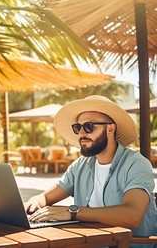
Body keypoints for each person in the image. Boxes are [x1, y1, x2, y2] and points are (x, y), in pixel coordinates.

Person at [25, 95, 157, 248]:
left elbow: (132, 215)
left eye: (88, 126)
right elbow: (45, 197)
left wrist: (72, 212)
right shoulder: (81, 165)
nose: (81, 133)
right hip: (89, 242)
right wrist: (35, 202)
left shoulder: (136, 164)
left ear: (110, 128)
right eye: (77, 127)